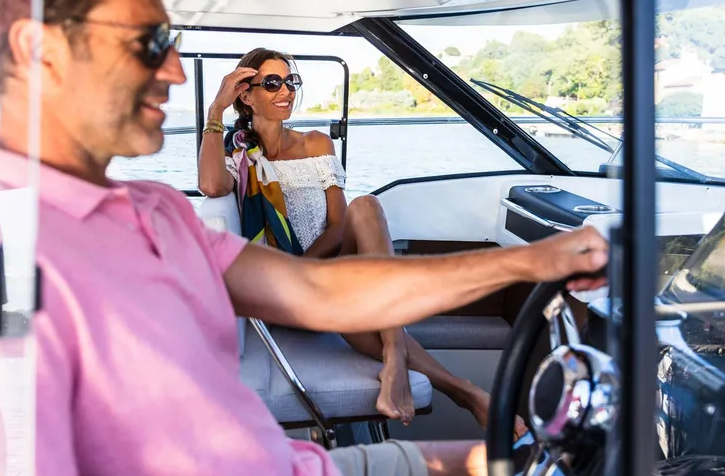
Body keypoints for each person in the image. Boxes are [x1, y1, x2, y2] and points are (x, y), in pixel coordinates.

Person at [0, 0, 608, 476]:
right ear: (40, 51)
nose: (175, 70)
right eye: (149, 41)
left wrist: (532, 258)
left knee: (496, 458)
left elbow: (314, 289)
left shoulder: (154, 212)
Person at [198, 48, 526, 436]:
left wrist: (316, 268)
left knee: (366, 205)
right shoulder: (237, 156)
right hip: (284, 289)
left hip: (331, 265)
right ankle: (463, 391)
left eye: (291, 81)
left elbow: (338, 226)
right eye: (272, 83)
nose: (285, 90)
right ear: (246, 95)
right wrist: (215, 111)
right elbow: (210, 186)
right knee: (355, 308)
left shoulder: (317, 143)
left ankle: (398, 356)